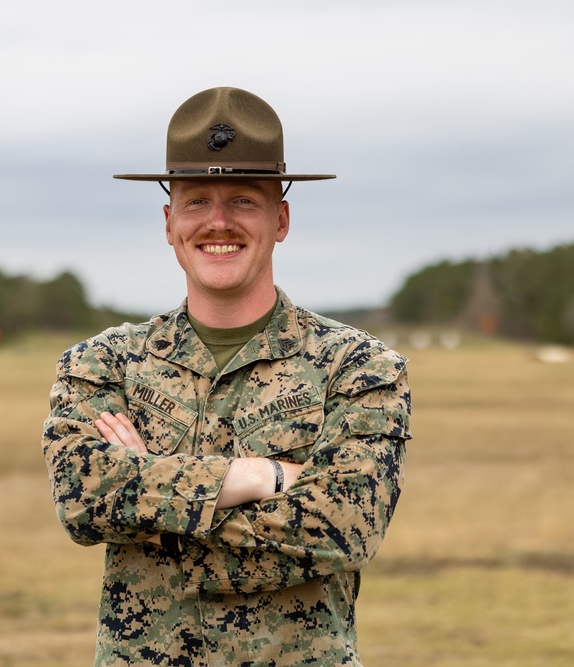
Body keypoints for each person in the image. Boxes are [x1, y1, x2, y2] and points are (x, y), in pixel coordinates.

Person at [41, 87, 411, 666]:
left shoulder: (359, 367)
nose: (218, 222)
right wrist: (259, 476)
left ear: (281, 218)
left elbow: (343, 526)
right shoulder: (102, 363)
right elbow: (83, 499)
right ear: (169, 222)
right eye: (196, 201)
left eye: (243, 199)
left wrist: (151, 498)